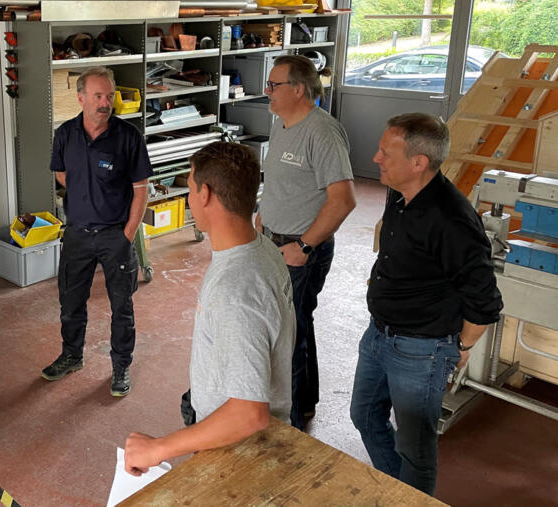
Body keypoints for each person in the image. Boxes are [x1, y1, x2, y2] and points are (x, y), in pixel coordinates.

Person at [350, 113, 503, 495]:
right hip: (378, 334)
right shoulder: (398, 192)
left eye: (386, 152)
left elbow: (484, 300)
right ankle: (400, 492)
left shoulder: (451, 220)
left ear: (419, 162)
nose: (375, 158)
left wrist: (461, 349)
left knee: (414, 447)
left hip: (422, 350)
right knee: (364, 415)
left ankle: (410, 498)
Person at [123, 142, 294, 474]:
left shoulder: (236, 289)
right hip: (231, 430)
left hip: (238, 451)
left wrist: (158, 449)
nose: (188, 198)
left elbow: (249, 414)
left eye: (189, 188)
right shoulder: (261, 250)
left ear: (206, 194)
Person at [255, 54, 356, 430]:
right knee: (298, 326)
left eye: (274, 84)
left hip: (301, 249)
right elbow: (281, 180)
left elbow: (343, 200)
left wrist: (306, 247)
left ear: (298, 89)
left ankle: (292, 426)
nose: (267, 90)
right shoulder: (282, 124)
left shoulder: (322, 132)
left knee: (288, 334)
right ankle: (306, 403)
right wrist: (263, 216)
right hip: (273, 241)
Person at [41, 66, 152, 397]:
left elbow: (141, 187)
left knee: (122, 306)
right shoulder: (65, 135)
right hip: (76, 233)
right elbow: (61, 173)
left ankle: (120, 366)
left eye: (109, 96)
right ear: (81, 98)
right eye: (98, 96)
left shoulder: (129, 137)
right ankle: (72, 355)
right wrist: (87, 192)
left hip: (114, 235)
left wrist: (127, 234)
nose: (105, 103)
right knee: (70, 301)